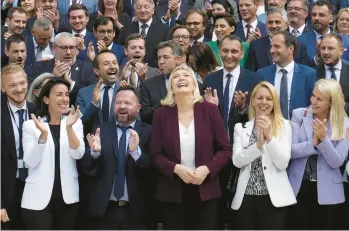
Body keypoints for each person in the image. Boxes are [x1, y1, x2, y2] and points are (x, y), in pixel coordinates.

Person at [150, 64, 232, 229]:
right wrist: (176, 169)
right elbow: (155, 155)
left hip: (206, 190)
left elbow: (225, 149)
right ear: (170, 86)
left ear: (195, 84)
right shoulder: (161, 114)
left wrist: (207, 169)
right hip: (172, 192)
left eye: (186, 75)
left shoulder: (210, 110)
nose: (181, 78)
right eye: (176, 76)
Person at [203, 34, 262, 229]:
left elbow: (260, 116)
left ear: (242, 53)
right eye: (225, 51)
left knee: (239, 210)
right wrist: (212, 108)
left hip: (243, 153)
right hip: (215, 153)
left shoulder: (254, 79)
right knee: (216, 209)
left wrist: (243, 109)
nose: (229, 55)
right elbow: (203, 119)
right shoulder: (210, 79)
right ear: (219, 52)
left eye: (234, 51)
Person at [79, 85, 151, 230]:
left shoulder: (148, 131)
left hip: (136, 212)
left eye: (127, 103)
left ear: (138, 107)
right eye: (118, 103)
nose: (122, 106)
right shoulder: (101, 130)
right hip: (103, 211)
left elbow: (151, 171)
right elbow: (85, 169)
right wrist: (94, 153)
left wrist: (136, 152)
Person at [21, 78, 85, 229]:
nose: (64, 99)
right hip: (37, 201)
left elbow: (78, 154)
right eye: (59, 95)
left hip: (68, 199)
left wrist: (69, 128)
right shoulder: (31, 125)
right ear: (46, 99)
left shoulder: (75, 122)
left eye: (67, 94)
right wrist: (42, 136)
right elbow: (30, 161)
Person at [231, 81, 296, 229]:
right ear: (252, 101)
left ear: (274, 102)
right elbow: (237, 161)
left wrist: (270, 137)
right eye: (260, 98)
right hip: (246, 198)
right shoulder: (241, 128)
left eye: (269, 98)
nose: (264, 102)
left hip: (274, 198)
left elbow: (282, 162)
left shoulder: (285, 126)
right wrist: (258, 146)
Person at [287, 79, 349, 229]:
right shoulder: (299, 114)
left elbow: (337, 161)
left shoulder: (345, 123)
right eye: (313, 96)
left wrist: (324, 140)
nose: (313, 101)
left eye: (319, 99)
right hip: (299, 187)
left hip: (328, 192)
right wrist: (313, 144)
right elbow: (291, 151)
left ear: (331, 103)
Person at [1, 64, 36, 230]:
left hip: (35, 186)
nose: (19, 88)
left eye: (22, 83)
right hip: (8, 188)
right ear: (2, 87)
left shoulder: (39, 112)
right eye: (12, 85)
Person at [256, 31, 316, 119]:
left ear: (290, 49)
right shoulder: (262, 74)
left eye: (277, 46)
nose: (272, 50)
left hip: (298, 129)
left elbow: (312, 106)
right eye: (271, 46)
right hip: (269, 128)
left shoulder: (308, 74)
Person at [31, 32, 97, 105]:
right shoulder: (39, 68)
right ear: (53, 49)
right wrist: (53, 78)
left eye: (72, 48)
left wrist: (71, 83)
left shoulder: (87, 67)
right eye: (64, 48)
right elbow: (33, 97)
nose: (68, 52)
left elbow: (92, 95)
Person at [246, 7, 311, 71]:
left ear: (286, 24)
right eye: (270, 22)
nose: (273, 26)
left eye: (277, 22)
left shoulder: (299, 46)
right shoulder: (256, 46)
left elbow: (303, 72)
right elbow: (251, 74)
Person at [76, 50, 121, 133]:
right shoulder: (83, 93)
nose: (112, 66)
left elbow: (137, 121)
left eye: (115, 63)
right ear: (96, 71)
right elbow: (78, 124)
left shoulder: (126, 90)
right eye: (106, 63)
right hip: (92, 143)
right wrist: (93, 103)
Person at [139, 41, 183, 125]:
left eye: (165, 57)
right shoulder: (147, 85)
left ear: (178, 59)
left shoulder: (193, 84)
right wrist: (166, 100)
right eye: (159, 58)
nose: (161, 62)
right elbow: (144, 117)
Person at [116, 0, 171, 67]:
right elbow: (120, 51)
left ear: (153, 10)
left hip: (155, 72)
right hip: (131, 72)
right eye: (139, 7)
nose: (142, 10)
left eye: (146, 7)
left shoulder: (164, 30)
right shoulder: (126, 30)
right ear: (135, 10)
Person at [316, 34, 349, 115]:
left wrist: (338, 107)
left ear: (341, 51)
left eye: (330, 48)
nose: (325, 52)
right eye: (323, 48)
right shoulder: (313, 72)